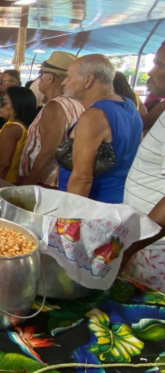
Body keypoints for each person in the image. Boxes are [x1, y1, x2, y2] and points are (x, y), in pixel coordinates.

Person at [59, 54, 142, 204]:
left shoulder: (94, 116)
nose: (64, 82)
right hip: (119, 198)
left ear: (88, 80)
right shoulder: (129, 105)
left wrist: (69, 219)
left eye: (69, 77)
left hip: (95, 204)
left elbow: (82, 179)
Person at [121, 42, 165, 291]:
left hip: (154, 249)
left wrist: (130, 247)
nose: (150, 72)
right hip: (145, 243)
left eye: (159, 64)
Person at [20, 51, 85, 188]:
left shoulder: (55, 106)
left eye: (41, 74)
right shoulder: (75, 103)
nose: (39, 79)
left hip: (46, 183)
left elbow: (49, 153)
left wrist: (28, 183)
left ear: (50, 78)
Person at [0, 87, 37, 183]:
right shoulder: (13, 126)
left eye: (4, 102)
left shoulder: (11, 130)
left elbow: (4, 164)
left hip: (1, 184)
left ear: (17, 106)